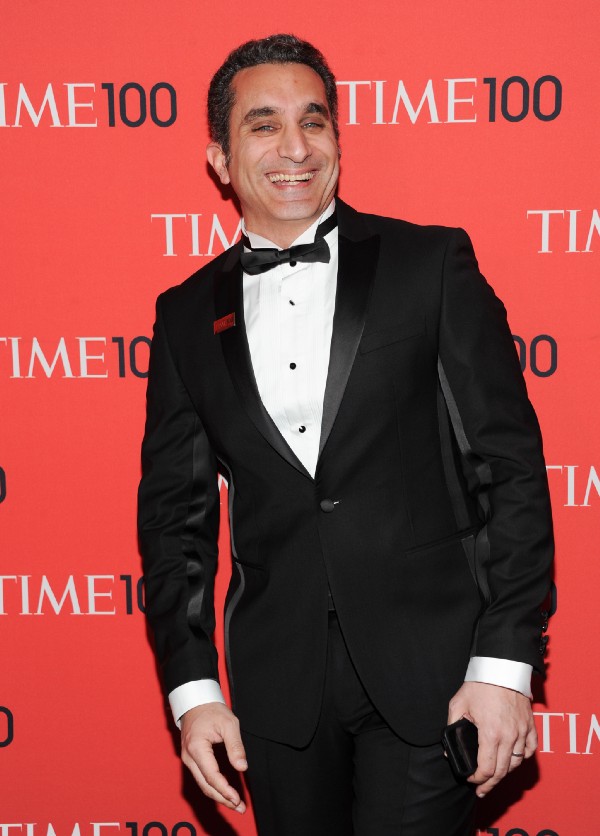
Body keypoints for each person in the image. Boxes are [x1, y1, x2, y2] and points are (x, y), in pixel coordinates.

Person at [138, 34, 554, 836]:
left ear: (336, 137)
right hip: (277, 694)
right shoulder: (183, 313)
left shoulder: (429, 264)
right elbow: (173, 520)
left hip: (433, 676)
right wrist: (194, 693)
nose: (295, 147)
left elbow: (510, 470)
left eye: (314, 121)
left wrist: (504, 664)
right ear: (220, 158)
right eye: (263, 125)